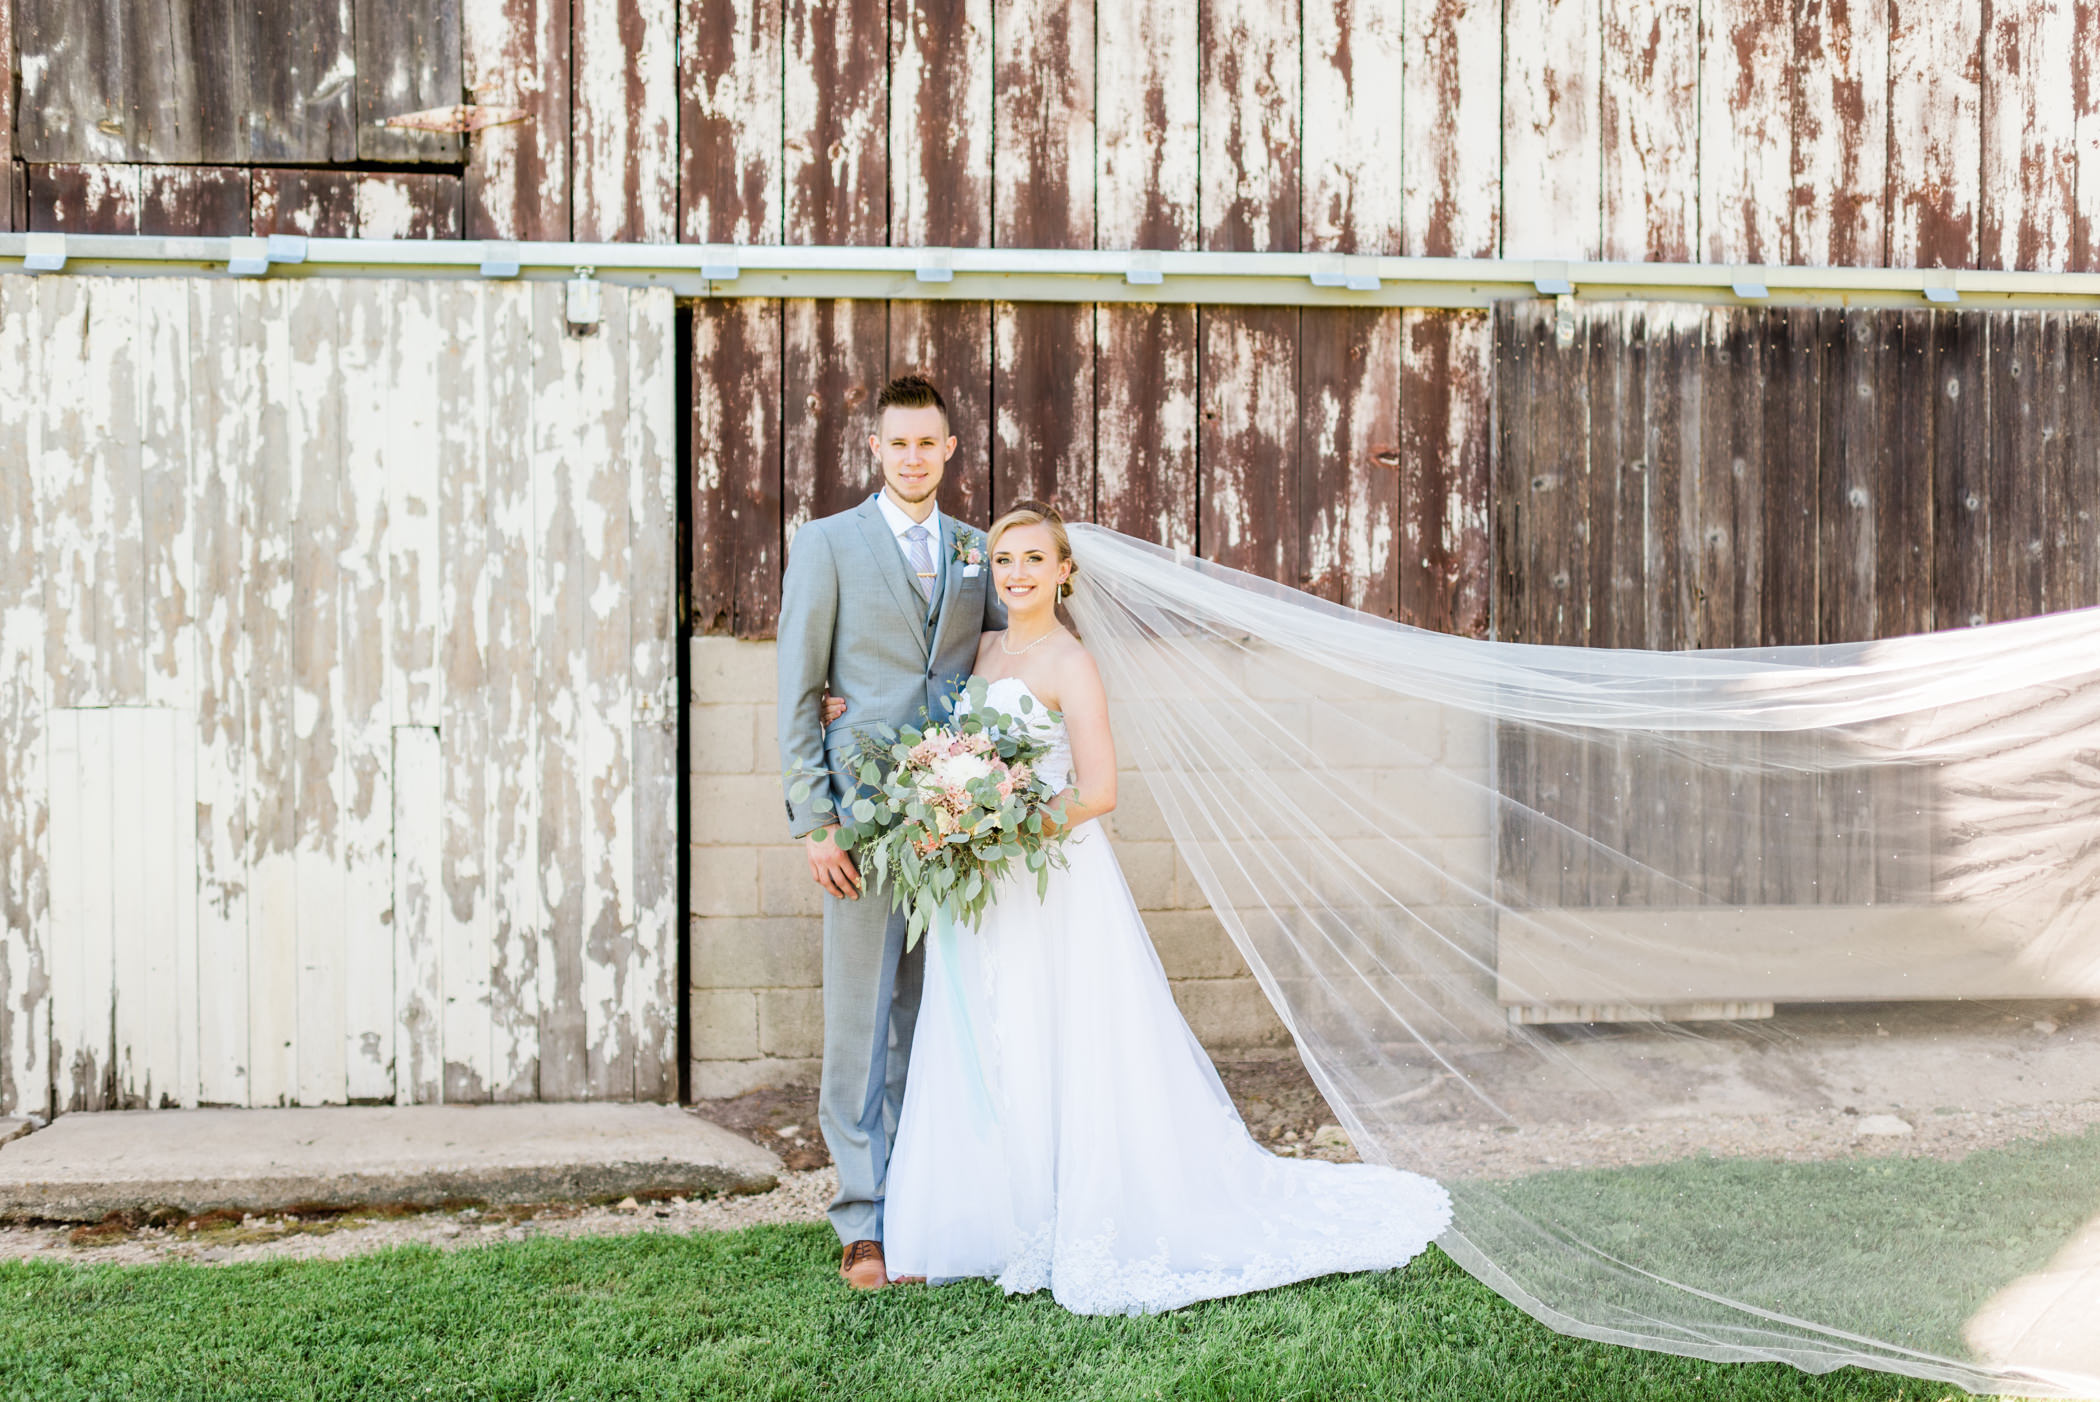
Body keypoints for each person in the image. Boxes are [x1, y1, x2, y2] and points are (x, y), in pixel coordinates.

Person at [877, 502, 1452, 1313]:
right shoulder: (982, 649)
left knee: (1061, 1034)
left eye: (1034, 561)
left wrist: (998, 821)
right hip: (986, 885)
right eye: (1005, 561)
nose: (1017, 575)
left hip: (1050, 877)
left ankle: (1067, 1212)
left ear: (1064, 571)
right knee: (987, 1035)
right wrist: (953, 812)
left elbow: (1100, 790)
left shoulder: (1071, 663)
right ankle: (989, 1223)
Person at [774, 375, 1004, 1291]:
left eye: (929, 444)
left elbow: (994, 659)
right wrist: (814, 819)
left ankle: (921, 1199)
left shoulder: (980, 552)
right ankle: (862, 1218)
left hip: (952, 824)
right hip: (861, 828)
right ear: (877, 449)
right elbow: (798, 690)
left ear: (952, 450)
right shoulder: (826, 545)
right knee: (859, 1023)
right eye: (898, 443)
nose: (914, 457)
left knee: (932, 1018)